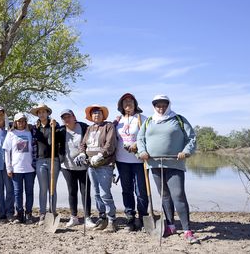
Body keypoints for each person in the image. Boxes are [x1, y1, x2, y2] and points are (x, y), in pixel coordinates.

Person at [137, 94, 199, 244]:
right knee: (164, 196)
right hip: (154, 164)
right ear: (154, 106)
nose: (161, 107)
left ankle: (187, 230)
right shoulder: (149, 121)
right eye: (158, 105)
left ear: (168, 105)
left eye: (164, 104)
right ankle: (170, 226)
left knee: (178, 195)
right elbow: (140, 139)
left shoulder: (178, 119)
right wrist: (142, 152)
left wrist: (186, 151)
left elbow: (191, 138)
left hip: (174, 163)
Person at [76, 105, 117, 232]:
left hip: (104, 164)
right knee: (97, 193)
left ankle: (111, 220)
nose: (96, 115)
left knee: (105, 193)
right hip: (91, 165)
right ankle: (102, 217)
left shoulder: (109, 126)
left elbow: (110, 144)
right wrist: (82, 153)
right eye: (94, 113)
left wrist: (101, 155)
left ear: (103, 115)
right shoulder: (89, 128)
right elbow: (83, 143)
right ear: (91, 116)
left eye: (98, 113)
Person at [114, 93, 149, 231]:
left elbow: (149, 138)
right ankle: (130, 216)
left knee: (141, 190)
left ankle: (142, 217)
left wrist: (137, 145)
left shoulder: (142, 119)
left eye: (130, 101)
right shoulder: (118, 121)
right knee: (126, 190)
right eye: (125, 102)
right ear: (121, 105)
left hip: (139, 160)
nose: (128, 103)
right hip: (121, 160)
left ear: (135, 103)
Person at [56, 109, 92, 228]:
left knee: (85, 192)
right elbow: (50, 140)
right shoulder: (60, 130)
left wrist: (86, 155)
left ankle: (87, 217)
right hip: (67, 166)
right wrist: (52, 126)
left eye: (68, 116)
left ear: (74, 116)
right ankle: (74, 217)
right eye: (64, 117)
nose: (66, 119)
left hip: (84, 166)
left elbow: (92, 140)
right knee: (72, 191)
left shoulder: (84, 127)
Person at [30, 103, 60, 226]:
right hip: (40, 161)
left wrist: (54, 127)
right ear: (37, 114)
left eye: (44, 112)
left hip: (54, 160)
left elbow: (55, 141)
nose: (42, 114)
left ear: (48, 113)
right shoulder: (34, 128)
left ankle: (52, 211)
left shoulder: (54, 126)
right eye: (39, 112)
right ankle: (42, 213)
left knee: (52, 188)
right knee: (43, 188)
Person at [3, 112, 36, 224]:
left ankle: (29, 214)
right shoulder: (11, 134)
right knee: (17, 192)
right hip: (16, 168)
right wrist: (9, 167)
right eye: (18, 121)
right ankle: (19, 213)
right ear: (15, 122)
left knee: (29, 192)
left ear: (25, 122)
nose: (21, 123)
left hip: (30, 168)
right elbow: (7, 152)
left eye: (23, 121)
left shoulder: (30, 132)